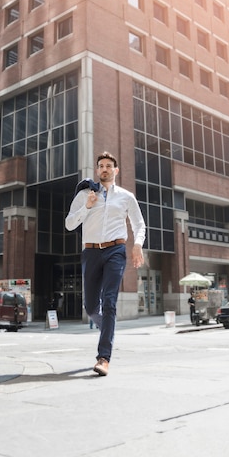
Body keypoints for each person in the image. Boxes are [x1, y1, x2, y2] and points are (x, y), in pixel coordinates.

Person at [65, 151, 146, 376]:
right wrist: (87, 206)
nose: (105, 169)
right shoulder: (84, 195)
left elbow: (140, 225)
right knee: (91, 307)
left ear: (115, 170)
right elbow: (69, 224)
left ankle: (103, 358)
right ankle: (106, 329)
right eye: (101, 165)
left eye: (109, 165)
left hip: (116, 250)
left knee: (109, 301)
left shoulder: (126, 197)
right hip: (90, 252)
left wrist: (137, 244)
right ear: (97, 170)